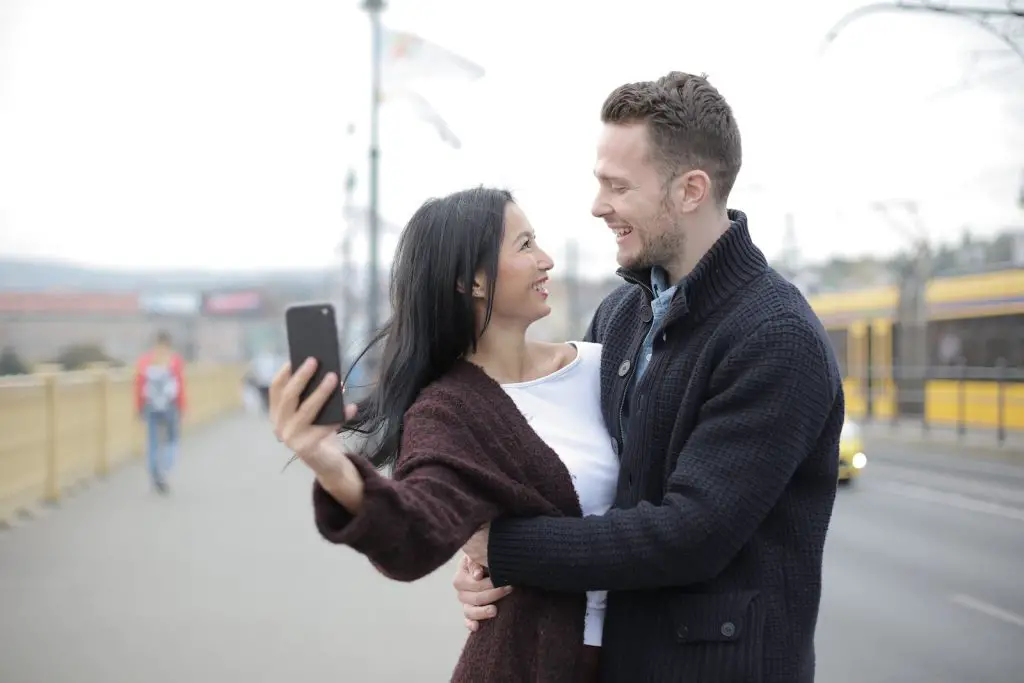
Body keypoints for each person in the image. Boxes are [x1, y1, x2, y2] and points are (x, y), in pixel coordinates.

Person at [452, 72, 844, 682]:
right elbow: (588, 484)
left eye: (618, 186)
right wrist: (487, 569)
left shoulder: (776, 338)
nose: (597, 205)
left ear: (690, 190)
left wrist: (505, 548)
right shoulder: (621, 314)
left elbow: (691, 534)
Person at [270, 187, 618, 682]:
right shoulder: (449, 410)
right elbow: (415, 528)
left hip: (660, 648)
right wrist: (328, 462)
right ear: (470, 282)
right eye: (524, 246)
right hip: (542, 664)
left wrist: (496, 549)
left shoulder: (603, 366)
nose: (546, 260)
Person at [134, 330, 186, 494]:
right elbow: (180, 386)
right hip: (170, 405)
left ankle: (154, 469)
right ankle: (164, 469)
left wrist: (138, 406)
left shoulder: (144, 361)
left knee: (153, 441)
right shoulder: (175, 361)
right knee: (171, 440)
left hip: (150, 405)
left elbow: (139, 385)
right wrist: (183, 407)